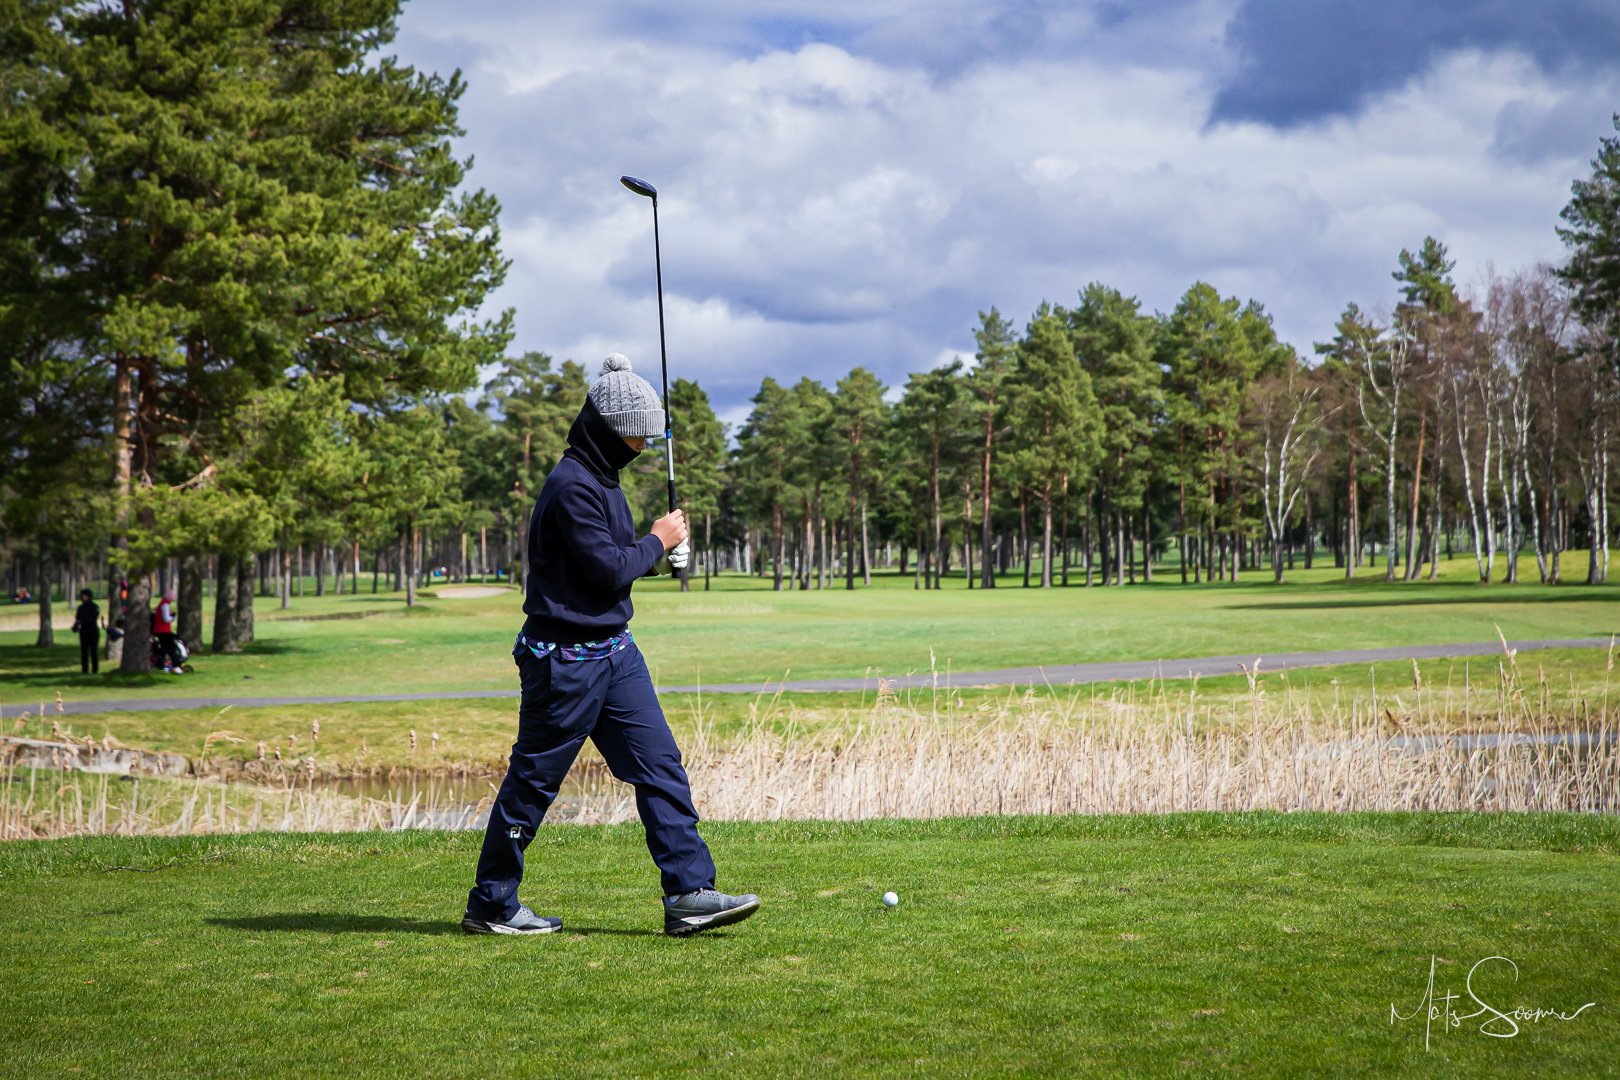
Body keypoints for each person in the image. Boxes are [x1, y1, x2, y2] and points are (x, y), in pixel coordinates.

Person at [463, 353, 759, 937]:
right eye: (634, 432)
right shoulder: (571, 486)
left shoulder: (602, 482)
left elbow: (614, 564)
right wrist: (657, 540)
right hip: (563, 664)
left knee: (659, 765)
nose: (643, 443)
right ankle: (492, 904)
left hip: (615, 654)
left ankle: (688, 893)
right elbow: (605, 569)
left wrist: (654, 554)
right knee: (532, 785)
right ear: (604, 428)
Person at [71, 589, 101, 674]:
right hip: (83, 632)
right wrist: (75, 626)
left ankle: (95, 669)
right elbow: (78, 618)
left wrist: (82, 621)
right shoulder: (80, 608)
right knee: (84, 652)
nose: (82, 597)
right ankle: (85, 670)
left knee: (93, 651)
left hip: (92, 631)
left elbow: (93, 618)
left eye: (84, 595)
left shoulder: (95, 607)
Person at [152, 588, 181, 673]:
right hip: (163, 630)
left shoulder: (163, 603)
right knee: (172, 648)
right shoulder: (165, 605)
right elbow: (166, 619)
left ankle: (164, 667)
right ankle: (175, 666)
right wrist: (173, 617)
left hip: (160, 630)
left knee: (164, 649)